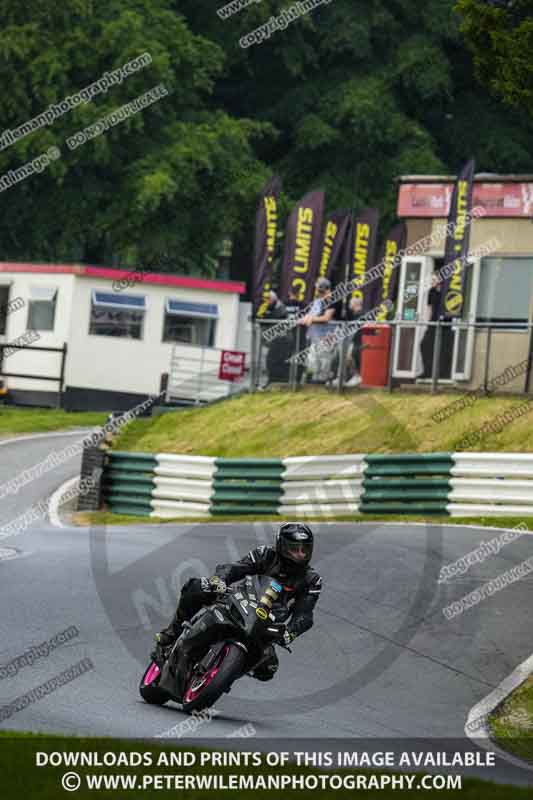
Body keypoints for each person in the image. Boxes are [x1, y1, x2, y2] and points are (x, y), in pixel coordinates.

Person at [151, 523, 322, 682]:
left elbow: (304, 615)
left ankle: (222, 672)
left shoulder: (312, 580)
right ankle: (172, 633)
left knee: (268, 668)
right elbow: (234, 568)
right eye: (294, 549)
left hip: (266, 624)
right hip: (240, 600)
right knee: (197, 587)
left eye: (305, 549)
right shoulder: (265, 554)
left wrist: (290, 632)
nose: (301, 554)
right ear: (282, 546)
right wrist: (220, 580)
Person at [297, 277, 338, 382]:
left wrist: (311, 319)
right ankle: (313, 382)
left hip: (327, 336)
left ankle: (323, 383)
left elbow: (326, 318)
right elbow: (311, 314)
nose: (316, 290)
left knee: (324, 361)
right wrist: (305, 318)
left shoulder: (332, 299)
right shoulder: (318, 301)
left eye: (318, 288)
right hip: (316, 336)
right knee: (312, 361)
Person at [420, 273, 441, 378]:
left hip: (442, 323)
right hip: (432, 323)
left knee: (439, 347)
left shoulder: (444, 291)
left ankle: (438, 373)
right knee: (424, 345)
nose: (432, 282)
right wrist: (428, 322)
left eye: (434, 279)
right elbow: (430, 308)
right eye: (431, 280)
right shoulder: (431, 291)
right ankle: (427, 371)